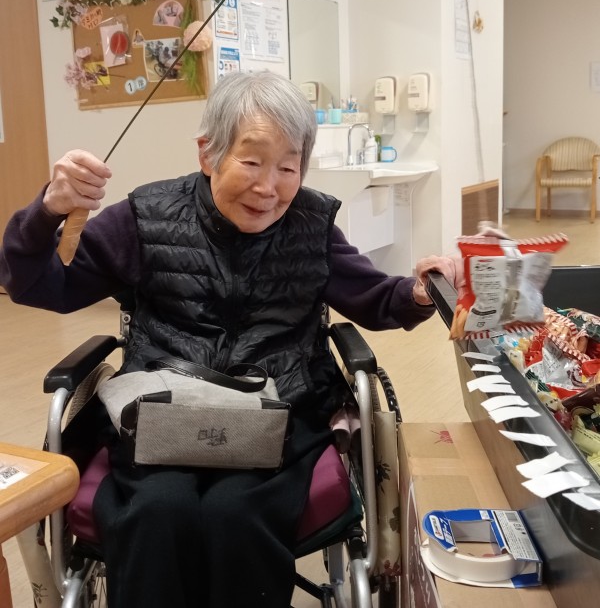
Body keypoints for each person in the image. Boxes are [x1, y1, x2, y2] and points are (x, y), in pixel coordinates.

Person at [0, 71, 457, 608]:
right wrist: (47, 213)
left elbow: (375, 297)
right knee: (155, 511)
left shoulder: (311, 225)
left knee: (237, 514)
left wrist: (419, 292)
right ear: (207, 153)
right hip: (161, 414)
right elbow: (36, 284)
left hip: (280, 414)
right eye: (252, 161)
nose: (269, 187)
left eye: (288, 167)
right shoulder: (146, 218)